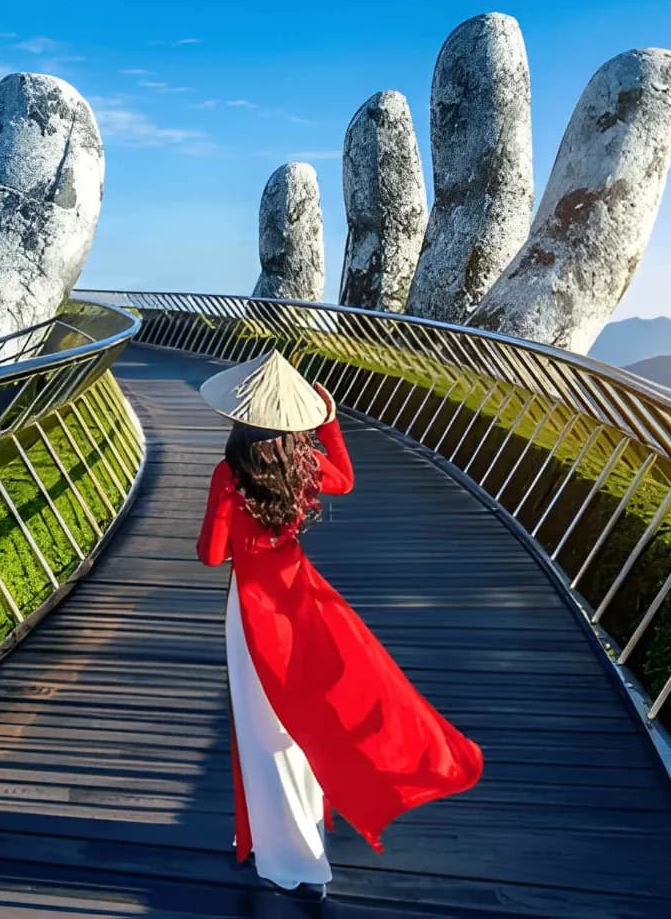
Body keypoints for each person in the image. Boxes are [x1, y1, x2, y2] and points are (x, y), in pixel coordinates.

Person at [196, 349, 484, 898]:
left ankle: (286, 854)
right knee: (301, 724)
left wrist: (233, 528)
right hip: (304, 601)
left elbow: (211, 556)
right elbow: (345, 480)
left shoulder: (228, 475)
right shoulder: (302, 464)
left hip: (253, 615)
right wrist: (330, 423)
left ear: (240, 416)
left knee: (262, 733)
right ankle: (306, 835)